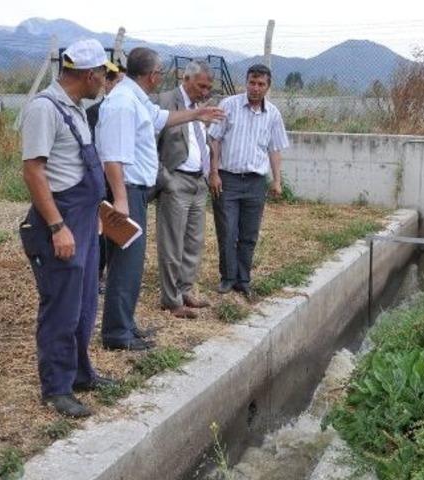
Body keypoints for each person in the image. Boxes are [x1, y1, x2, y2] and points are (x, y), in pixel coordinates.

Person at [96, 48, 225, 349]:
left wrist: (197, 113)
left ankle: (126, 325)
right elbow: (112, 157)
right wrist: (120, 199)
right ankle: (117, 334)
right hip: (126, 191)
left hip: (136, 191)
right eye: (160, 71)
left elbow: (161, 118)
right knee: (125, 263)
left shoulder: (136, 99)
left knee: (132, 264)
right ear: (153, 75)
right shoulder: (123, 103)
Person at [19, 39, 121, 417]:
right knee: (61, 308)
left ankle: (81, 374)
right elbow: (33, 170)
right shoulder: (44, 109)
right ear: (90, 74)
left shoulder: (75, 108)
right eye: (104, 75)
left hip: (84, 219)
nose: (105, 82)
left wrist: (95, 214)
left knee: (83, 305)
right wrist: (58, 226)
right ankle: (56, 388)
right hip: (60, 221)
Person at [208, 64, 289, 300]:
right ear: (246, 83)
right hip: (228, 180)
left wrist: (277, 181)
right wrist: (214, 172)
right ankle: (228, 278)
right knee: (227, 231)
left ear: (268, 86)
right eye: (252, 83)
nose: (255, 88)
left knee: (249, 234)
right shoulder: (229, 106)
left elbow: (275, 149)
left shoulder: (273, 114)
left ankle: (243, 280)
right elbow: (214, 140)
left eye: (261, 84)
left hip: (256, 182)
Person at [152, 60, 215, 319]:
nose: (205, 91)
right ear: (186, 79)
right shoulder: (165, 101)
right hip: (175, 180)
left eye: (209, 87)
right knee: (172, 243)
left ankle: (185, 289)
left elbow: (203, 141)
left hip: (198, 183)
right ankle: (170, 299)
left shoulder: (201, 107)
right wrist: (164, 178)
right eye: (201, 86)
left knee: (194, 241)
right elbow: (149, 142)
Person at [86, 61, 125, 294]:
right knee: (99, 228)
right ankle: (96, 273)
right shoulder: (92, 113)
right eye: (117, 82)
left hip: (120, 180)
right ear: (106, 83)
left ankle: (115, 272)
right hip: (99, 178)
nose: (122, 88)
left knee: (118, 227)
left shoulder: (127, 112)